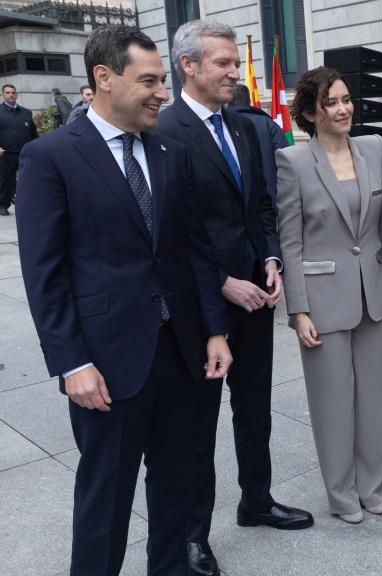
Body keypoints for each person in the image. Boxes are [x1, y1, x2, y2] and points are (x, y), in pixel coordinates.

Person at [16, 25, 232, 575]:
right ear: (103, 79)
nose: (163, 91)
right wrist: (72, 363)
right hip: (106, 364)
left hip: (182, 355)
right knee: (105, 499)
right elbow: (46, 274)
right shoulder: (50, 157)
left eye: (163, 80)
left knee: (177, 485)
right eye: (150, 80)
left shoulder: (170, 151)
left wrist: (214, 330)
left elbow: (195, 250)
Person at [153, 19, 313, 576]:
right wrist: (223, 282)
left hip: (257, 292)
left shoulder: (246, 127)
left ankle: (257, 500)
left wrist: (269, 259)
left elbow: (262, 207)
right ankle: (194, 535)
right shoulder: (164, 131)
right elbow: (168, 231)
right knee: (199, 424)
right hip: (203, 304)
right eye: (221, 62)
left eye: (232, 62)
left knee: (256, 408)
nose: (231, 71)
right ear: (188, 66)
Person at [276, 67, 382, 524]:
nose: (344, 108)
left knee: (374, 397)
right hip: (322, 297)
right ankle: (342, 493)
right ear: (311, 113)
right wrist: (298, 309)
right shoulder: (292, 162)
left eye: (347, 99)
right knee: (333, 401)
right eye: (332, 103)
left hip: (372, 290)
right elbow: (289, 242)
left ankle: (372, 485)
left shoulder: (373, 148)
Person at [230, 83, 289, 201]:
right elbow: (286, 161)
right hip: (269, 200)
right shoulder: (268, 123)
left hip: (234, 203)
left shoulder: (220, 123)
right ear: (249, 100)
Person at [0, 83, 37, 215]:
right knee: (5, 180)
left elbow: (33, 133)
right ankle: (3, 205)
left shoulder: (26, 112)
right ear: (3, 94)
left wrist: (35, 148)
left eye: (13, 92)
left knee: (27, 179)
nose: (11, 95)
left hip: (24, 152)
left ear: (16, 94)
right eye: (8, 92)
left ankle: (26, 203)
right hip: (6, 153)